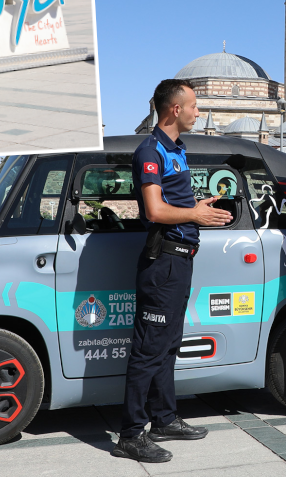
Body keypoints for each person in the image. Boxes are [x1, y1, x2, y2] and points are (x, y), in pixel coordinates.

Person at [111, 79, 232, 463]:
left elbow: (173, 201)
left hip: (180, 260)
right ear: (174, 110)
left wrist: (199, 204)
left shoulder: (176, 149)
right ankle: (131, 434)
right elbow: (155, 211)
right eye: (194, 105)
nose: (199, 112)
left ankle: (164, 418)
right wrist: (195, 213)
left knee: (167, 345)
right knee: (148, 349)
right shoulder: (150, 150)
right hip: (162, 263)